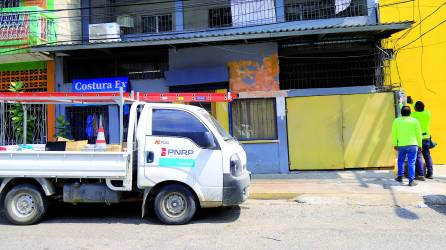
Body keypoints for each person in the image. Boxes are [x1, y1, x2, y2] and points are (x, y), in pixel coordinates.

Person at [392, 106, 422, 186]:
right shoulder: (415, 121)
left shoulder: (396, 121)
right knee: (411, 162)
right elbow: (418, 134)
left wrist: (395, 144)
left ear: (401, 112)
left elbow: (394, 134)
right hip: (413, 145)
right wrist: (420, 144)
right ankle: (411, 181)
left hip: (401, 145)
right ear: (410, 113)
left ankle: (400, 177)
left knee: (400, 161)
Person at [412, 101, 434, 179]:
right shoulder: (428, 113)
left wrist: (411, 103)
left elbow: (406, 111)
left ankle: (421, 174)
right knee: (427, 156)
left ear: (415, 108)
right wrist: (414, 103)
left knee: (419, 156)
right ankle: (430, 174)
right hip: (427, 138)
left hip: (418, 138)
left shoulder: (413, 115)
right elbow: (422, 108)